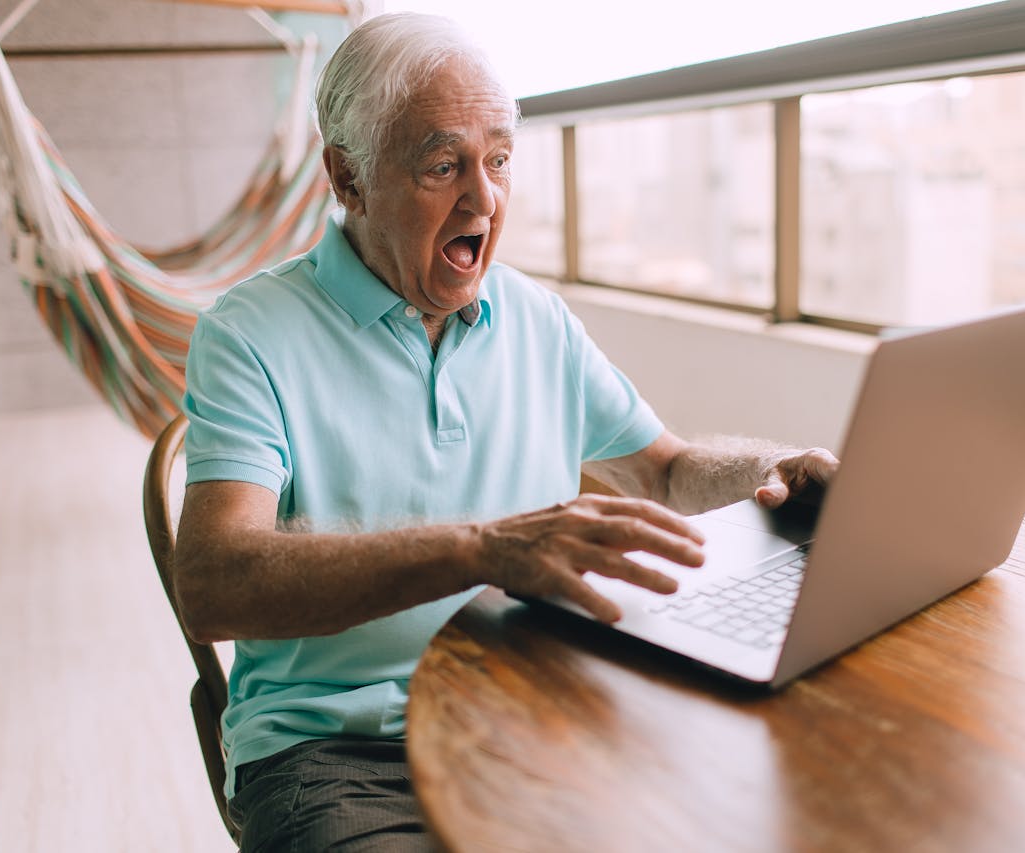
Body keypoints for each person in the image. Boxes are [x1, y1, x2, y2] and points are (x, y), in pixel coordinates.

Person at [174, 11, 837, 852]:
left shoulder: (534, 317)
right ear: (348, 178)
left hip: (536, 705)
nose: (484, 199)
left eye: (498, 161)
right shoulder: (249, 333)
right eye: (443, 164)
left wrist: (777, 468)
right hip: (341, 752)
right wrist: (481, 547)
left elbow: (667, 472)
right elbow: (214, 583)